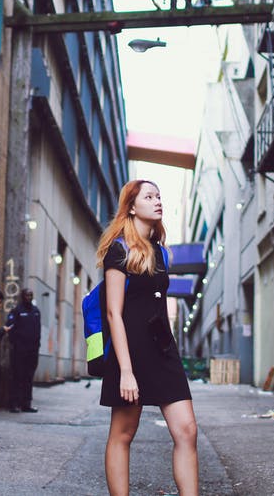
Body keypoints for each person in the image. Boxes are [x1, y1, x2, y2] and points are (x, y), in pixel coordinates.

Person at [96, 179, 198, 496]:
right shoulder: (119, 250)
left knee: (187, 430)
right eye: (149, 196)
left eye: (159, 195)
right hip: (131, 351)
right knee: (124, 433)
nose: (157, 201)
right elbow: (114, 313)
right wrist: (126, 371)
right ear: (131, 206)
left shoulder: (161, 253)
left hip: (163, 349)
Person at [6, 288, 41, 413]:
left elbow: (38, 331)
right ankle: (15, 404)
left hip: (32, 351)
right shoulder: (16, 311)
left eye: (31, 295)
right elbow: (10, 329)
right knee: (17, 377)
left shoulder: (36, 311)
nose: (29, 297)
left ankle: (27, 404)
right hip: (19, 351)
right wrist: (15, 345)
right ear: (22, 296)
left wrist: (37, 347)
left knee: (28, 378)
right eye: (27, 295)